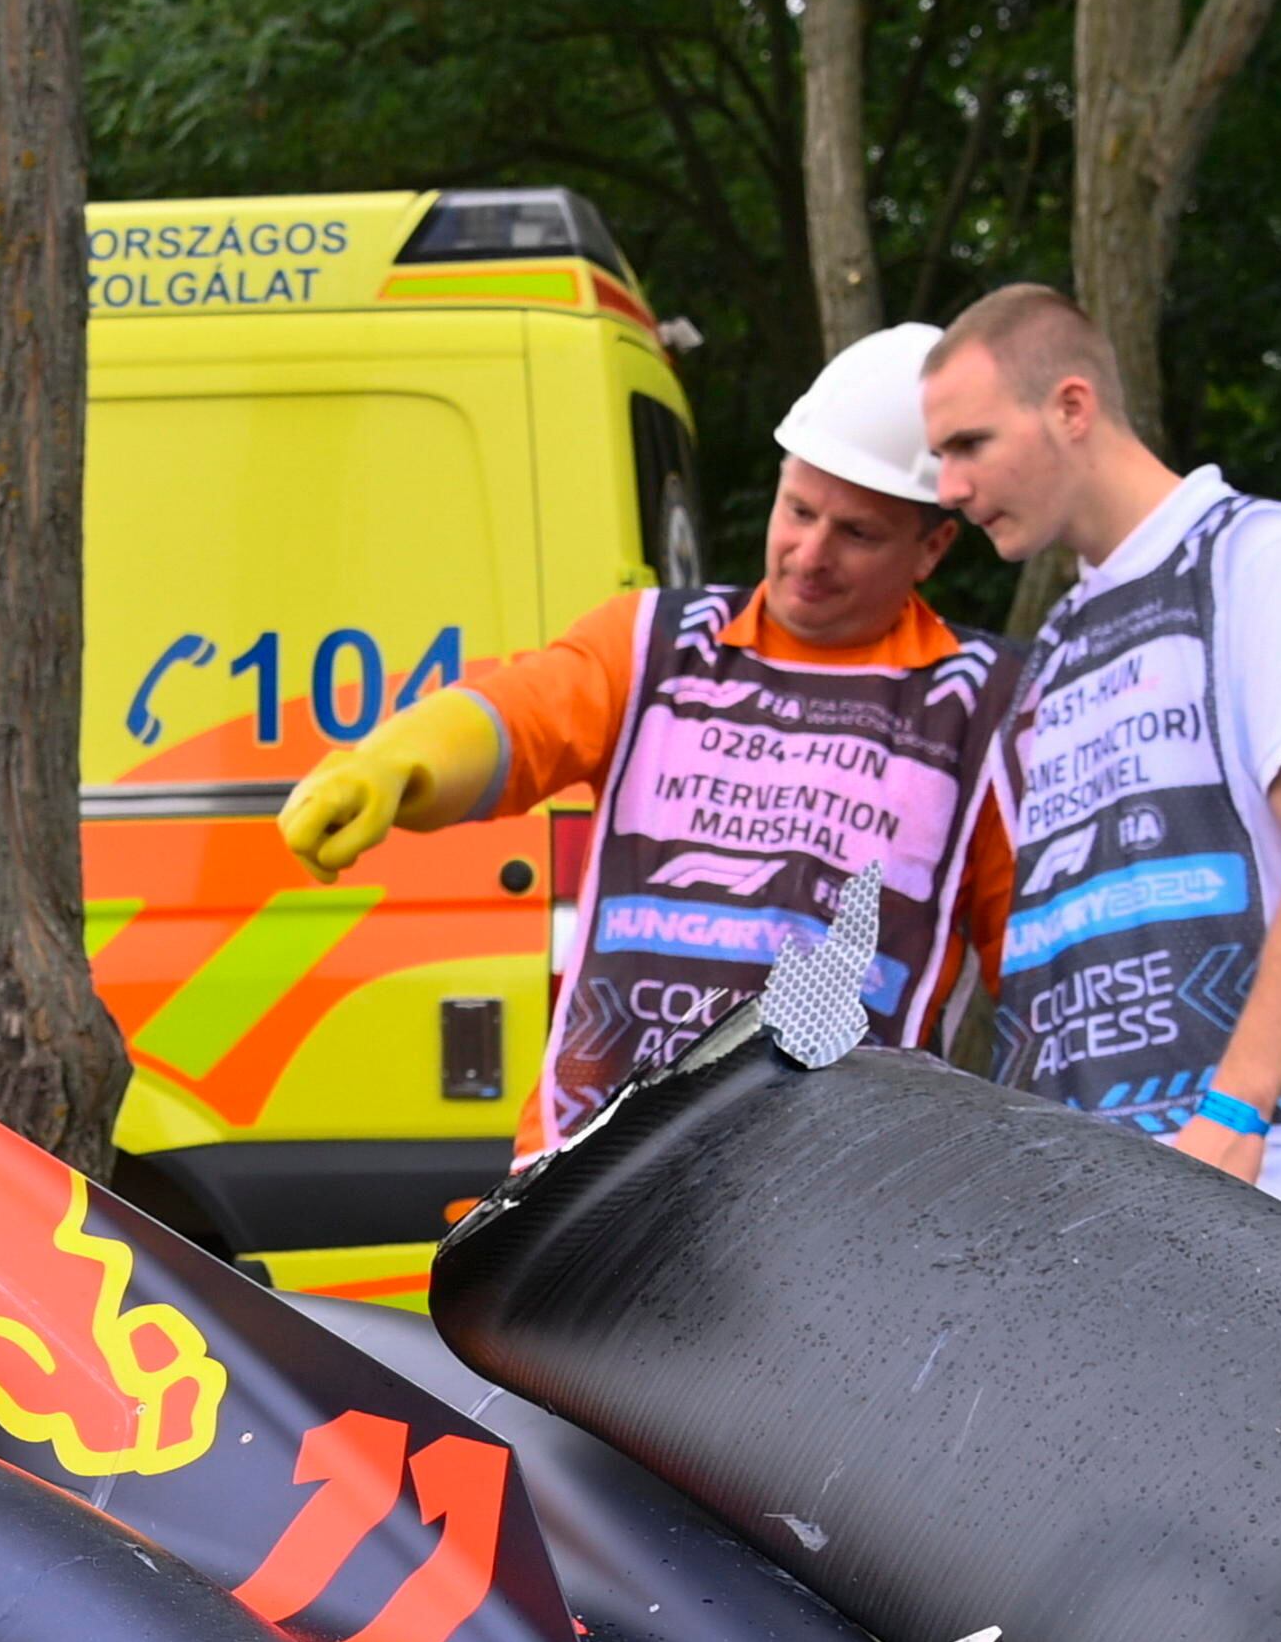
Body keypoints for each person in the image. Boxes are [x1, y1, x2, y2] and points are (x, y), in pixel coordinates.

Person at [276, 324, 1015, 1149]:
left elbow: (1032, 963)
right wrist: (398, 762)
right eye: (798, 510)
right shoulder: (657, 643)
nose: (809, 553)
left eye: (857, 533)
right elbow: (521, 714)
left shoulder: (980, 709)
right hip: (591, 1172)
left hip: (833, 1201)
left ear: (934, 546)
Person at [918, 283, 1281, 1215]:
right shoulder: (1056, 641)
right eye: (940, 456)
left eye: (970, 444)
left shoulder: (1260, 557)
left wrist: (1236, 1114)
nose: (950, 489)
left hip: (1245, 1187)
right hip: (1088, 1207)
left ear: (1071, 408)